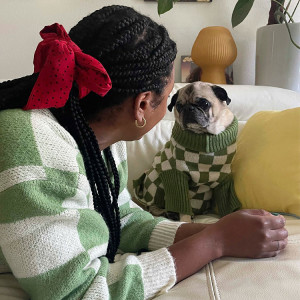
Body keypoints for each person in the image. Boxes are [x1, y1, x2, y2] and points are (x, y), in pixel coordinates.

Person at [0, 5, 288, 300]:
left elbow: (120, 218)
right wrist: (214, 242)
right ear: (142, 105)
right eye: (169, 95)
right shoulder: (33, 146)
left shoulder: (104, 139)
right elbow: (76, 292)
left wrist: (219, 230)